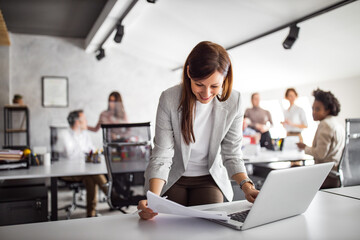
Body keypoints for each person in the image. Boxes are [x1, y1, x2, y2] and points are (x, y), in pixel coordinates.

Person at [137, 41, 259, 220]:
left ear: (224, 79)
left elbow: (232, 153)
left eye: (214, 86)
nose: (206, 93)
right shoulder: (169, 98)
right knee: (167, 223)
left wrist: (247, 186)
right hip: (173, 176)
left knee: (209, 226)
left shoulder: (235, 101)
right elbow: (162, 154)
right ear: (188, 73)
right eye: (199, 84)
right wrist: (153, 199)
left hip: (209, 178)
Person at [60, 110, 108, 217]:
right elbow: (70, 155)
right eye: (84, 120)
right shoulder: (65, 135)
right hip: (68, 171)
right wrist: (86, 153)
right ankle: (111, 195)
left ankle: (90, 214)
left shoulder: (84, 134)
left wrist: (96, 152)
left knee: (91, 178)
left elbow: (91, 150)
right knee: (93, 174)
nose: (87, 122)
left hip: (84, 170)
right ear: (77, 122)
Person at [296, 89, 345, 188]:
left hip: (326, 176)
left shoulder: (325, 125)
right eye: (312, 108)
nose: (313, 112)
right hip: (337, 174)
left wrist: (304, 147)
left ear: (327, 110)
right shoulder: (336, 123)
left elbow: (320, 154)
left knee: (293, 173)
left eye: (317, 109)